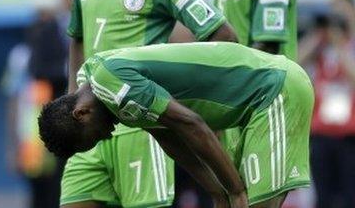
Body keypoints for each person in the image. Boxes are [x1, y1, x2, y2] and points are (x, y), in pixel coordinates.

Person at [63, 0, 236, 208]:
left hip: (139, 129)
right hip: (90, 129)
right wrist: (74, 94)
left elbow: (222, 35)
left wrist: (177, 94)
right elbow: (77, 37)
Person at [40, 42, 314, 208]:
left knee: (251, 203)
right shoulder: (98, 85)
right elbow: (170, 140)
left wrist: (235, 191)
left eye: (95, 137)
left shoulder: (112, 83)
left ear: (81, 113)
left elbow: (191, 124)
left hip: (274, 90)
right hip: (249, 109)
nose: (107, 135)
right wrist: (217, 192)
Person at [298, 0, 355, 208]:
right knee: (323, 198)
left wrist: (340, 45)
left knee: (350, 197)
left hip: (350, 136)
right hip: (322, 135)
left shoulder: (348, 48)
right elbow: (295, 63)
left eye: (343, 14)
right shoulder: (321, 49)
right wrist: (316, 35)